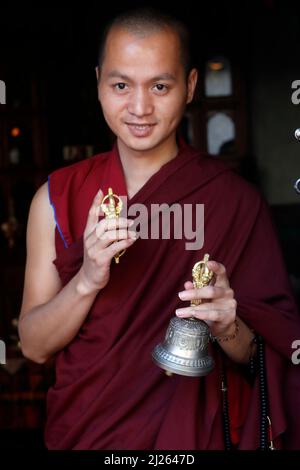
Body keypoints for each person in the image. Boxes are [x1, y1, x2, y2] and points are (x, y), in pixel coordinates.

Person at [19, 7, 300, 450]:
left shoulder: (234, 201)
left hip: (193, 438)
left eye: (160, 86)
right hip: (88, 433)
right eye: (120, 85)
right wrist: (87, 281)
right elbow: (34, 347)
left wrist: (227, 324)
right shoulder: (56, 199)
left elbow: (269, 357)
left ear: (189, 86)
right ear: (98, 84)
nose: (140, 107)